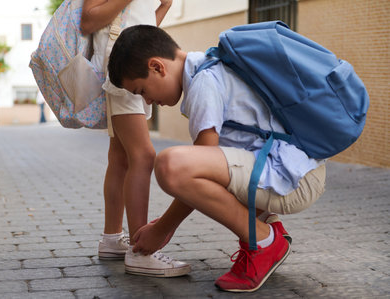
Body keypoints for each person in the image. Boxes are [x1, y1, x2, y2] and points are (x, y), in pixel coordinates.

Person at [107, 25, 326, 292]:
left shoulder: (203, 83)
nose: (148, 101)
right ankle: (266, 225)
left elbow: (195, 168)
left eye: (142, 91)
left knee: (171, 166)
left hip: (294, 180)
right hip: (295, 171)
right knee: (191, 169)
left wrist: (162, 228)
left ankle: (265, 241)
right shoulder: (209, 65)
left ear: (157, 67)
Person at [80, 0, 190, 277]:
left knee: (121, 158)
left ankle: (113, 239)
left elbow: (147, 19)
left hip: (133, 59)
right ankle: (141, 251)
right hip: (121, 64)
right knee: (143, 155)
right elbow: (89, 19)